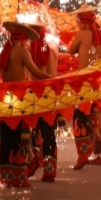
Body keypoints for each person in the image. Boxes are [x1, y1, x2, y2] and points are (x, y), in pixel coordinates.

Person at [0, 21, 52, 187]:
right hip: (19, 99)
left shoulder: (4, 53)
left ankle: (7, 176)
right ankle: (18, 177)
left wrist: (3, 87)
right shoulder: (22, 52)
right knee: (20, 137)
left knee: (7, 136)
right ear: (23, 39)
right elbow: (36, 72)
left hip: (5, 100)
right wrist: (53, 79)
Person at [67, 4, 101, 170]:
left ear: (83, 20)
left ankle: (82, 154)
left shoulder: (83, 34)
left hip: (83, 80)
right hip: (97, 81)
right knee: (92, 111)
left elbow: (70, 51)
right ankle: (97, 135)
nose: (76, 22)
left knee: (78, 116)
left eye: (77, 19)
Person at [25, 14, 59, 182]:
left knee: (35, 129)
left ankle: (36, 160)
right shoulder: (53, 44)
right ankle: (49, 168)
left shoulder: (30, 47)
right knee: (49, 132)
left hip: (36, 92)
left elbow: (30, 73)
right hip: (52, 92)